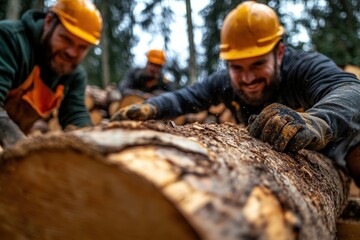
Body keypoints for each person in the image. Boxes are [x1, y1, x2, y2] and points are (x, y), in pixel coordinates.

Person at [111, 1, 360, 186]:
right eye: (237, 68)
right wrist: (151, 108)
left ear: (280, 53)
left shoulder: (303, 67)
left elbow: (351, 90)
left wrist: (316, 122)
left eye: (257, 65)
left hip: (336, 157)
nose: (248, 78)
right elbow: (183, 97)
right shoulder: (226, 82)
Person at [0, 0, 102, 148]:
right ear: (48, 22)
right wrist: (19, 146)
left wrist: (93, 145)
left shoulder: (74, 74)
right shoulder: (9, 39)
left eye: (82, 47)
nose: (71, 52)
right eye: (66, 39)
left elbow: (75, 115)